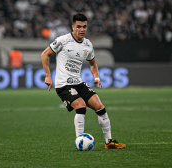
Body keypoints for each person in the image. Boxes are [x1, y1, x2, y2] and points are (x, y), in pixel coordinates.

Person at [41, 13, 126, 149]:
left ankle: (109, 142)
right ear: (73, 27)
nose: (82, 29)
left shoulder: (87, 44)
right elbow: (44, 54)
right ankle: (79, 142)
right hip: (63, 84)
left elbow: (93, 63)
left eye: (84, 27)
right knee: (80, 106)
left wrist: (96, 77)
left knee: (100, 107)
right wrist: (48, 76)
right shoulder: (63, 40)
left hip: (78, 82)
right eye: (79, 26)